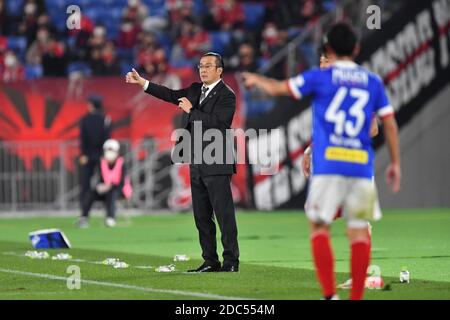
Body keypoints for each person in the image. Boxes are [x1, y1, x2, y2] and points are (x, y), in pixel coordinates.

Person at [243, 23, 401, 300]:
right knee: (359, 230)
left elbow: (280, 88)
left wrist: (258, 80)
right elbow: (383, 126)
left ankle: (329, 295)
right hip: (360, 166)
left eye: (324, 58)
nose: (321, 63)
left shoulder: (320, 78)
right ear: (356, 48)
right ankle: (357, 295)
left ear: (329, 51)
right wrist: (395, 163)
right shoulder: (371, 80)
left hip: (330, 165)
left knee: (318, 226)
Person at [126, 52, 240, 272]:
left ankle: (231, 262)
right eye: (200, 66)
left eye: (208, 66)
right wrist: (143, 83)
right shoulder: (196, 89)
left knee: (224, 215)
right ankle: (210, 261)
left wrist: (191, 110)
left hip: (217, 160)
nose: (203, 69)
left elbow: (219, 125)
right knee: (201, 216)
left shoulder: (227, 95)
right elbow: (170, 94)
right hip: (196, 160)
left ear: (219, 70)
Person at [78, 139, 133, 228]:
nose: (109, 153)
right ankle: (84, 218)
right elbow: (101, 180)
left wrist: (110, 186)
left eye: (111, 150)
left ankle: (110, 218)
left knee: (112, 193)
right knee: (91, 193)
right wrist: (101, 187)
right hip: (106, 190)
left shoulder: (122, 163)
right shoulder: (102, 163)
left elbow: (121, 184)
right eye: (108, 150)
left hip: (121, 191)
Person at [78, 95, 111, 222]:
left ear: (91, 105)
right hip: (102, 156)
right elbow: (107, 138)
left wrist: (83, 154)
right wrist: (105, 154)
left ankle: (84, 214)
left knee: (85, 186)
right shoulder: (105, 119)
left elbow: (83, 140)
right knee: (106, 184)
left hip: (88, 156)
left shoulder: (85, 120)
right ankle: (108, 213)